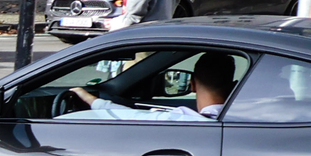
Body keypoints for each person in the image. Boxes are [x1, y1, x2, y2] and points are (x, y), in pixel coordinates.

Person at [72, 51, 236, 120]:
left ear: (192, 84)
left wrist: (89, 99)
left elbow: (131, 118)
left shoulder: (183, 120)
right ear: (233, 86)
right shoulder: (241, 119)